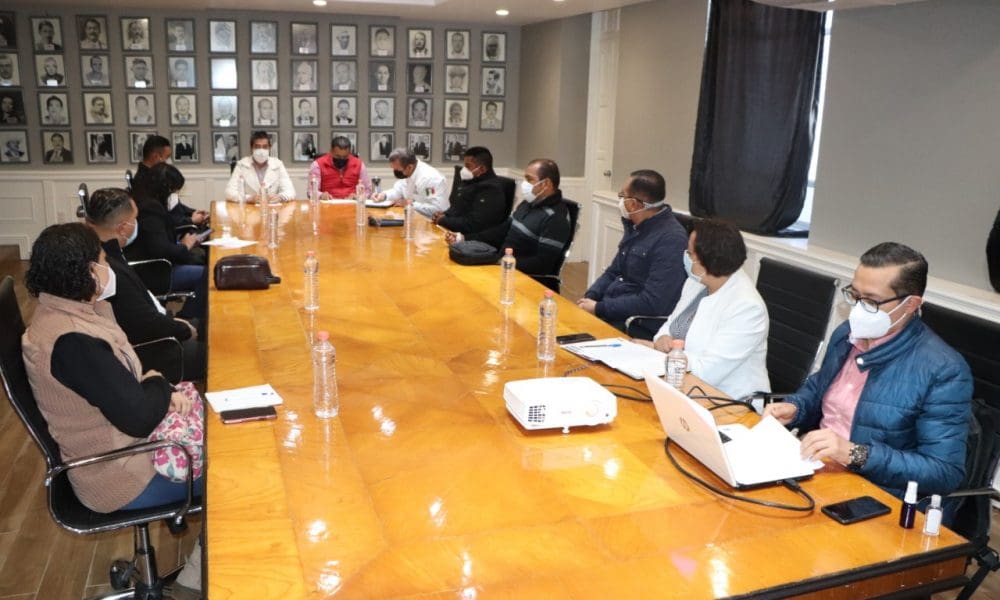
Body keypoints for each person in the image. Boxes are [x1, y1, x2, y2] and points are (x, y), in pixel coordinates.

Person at [21, 222, 203, 598]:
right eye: (103, 260)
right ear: (86, 271)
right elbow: (138, 416)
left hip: (121, 451)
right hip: (118, 474)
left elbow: (128, 393)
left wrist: (152, 386)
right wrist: (156, 380)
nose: (109, 268)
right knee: (236, 475)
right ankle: (195, 580)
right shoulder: (71, 342)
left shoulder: (67, 313)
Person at [763, 242, 972, 524]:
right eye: (854, 295)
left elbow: (943, 472)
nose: (858, 310)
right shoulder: (847, 334)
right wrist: (796, 408)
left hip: (878, 499)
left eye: (871, 302)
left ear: (910, 305)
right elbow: (819, 388)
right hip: (818, 471)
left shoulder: (944, 369)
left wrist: (855, 454)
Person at [632, 219, 769, 398]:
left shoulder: (747, 308)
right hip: (678, 385)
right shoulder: (696, 281)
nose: (686, 257)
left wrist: (657, 351)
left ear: (705, 261)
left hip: (726, 400)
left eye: (690, 253)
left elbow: (707, 372)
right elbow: (670, 325)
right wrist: (661, 338)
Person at [85, 188, 206, 378]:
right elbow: (144, 322)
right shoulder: (107, 267)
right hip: (151, 353)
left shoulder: (102, 251)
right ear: (123, 228)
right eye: (135, 219)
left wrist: (174, 321)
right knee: (222, 352)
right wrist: (182, 328)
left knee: (211, 325)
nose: (137, 225)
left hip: (156, 329)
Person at [578, 169, 687, 339]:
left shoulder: (671, 239)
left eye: (622, 196)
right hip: (612, 309)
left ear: (634, 204)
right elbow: (613, 271)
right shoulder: (635, 226)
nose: (620, 201)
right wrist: (591, 296)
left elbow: (652, 302)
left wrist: (599, 308)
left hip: (634, 324)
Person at [451, 159, 572, 286]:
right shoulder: (528, 203)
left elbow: (542, 264)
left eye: (529, 179)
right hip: (503, 268)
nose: (525, 184)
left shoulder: (556, 218)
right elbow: (502, 231)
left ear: (546, 184)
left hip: (523, 281)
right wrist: (465, 238)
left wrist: (501, 262)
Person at [126, 163, 208, 319]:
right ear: (166, 189)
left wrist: (183, 243)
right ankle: (187, 319)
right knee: (207, 275)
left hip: (156, 264)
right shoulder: (150, 209)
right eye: (174, 191)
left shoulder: (146, 200)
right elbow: (160, 249)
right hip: (156, 270)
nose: (174, 195)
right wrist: (184, 246)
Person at [131, 135, 208, 230]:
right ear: (156, 157)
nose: (169, 161)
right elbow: (162, 218)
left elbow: (173, 204)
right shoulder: (144, 183)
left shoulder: (156, 175)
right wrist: (190, 220)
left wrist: (192, 212)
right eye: (167, 157)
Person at [433, 146, 508, 236]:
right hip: (454, 231)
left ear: (482, 169)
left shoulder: (491, 190)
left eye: (468, 166)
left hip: (471, 238)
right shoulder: (470, 181)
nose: (464, 170)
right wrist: (445, 214)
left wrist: (444, 220)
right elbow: (457, 208)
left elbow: (473, 224)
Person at [225, 131, 296, 202]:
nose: (261, 150)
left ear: (269, 147)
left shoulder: (278, 164)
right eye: (257, 147)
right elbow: (229, 192)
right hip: (249, 207)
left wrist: (280, 197)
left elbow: (290, 191)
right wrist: (248, 198)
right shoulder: (242, 165)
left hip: (271, 207)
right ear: (252, 148)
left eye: (265, 147)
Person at [376, 148, 447, 218]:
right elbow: (398, 191)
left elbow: (438, 209)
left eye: (397, 170)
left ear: (409, 167)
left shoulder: (430, 179)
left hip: (431, 221)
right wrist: (384, 195)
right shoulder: (407, 172)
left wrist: (411, 204)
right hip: (412, 218)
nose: (395, 172)